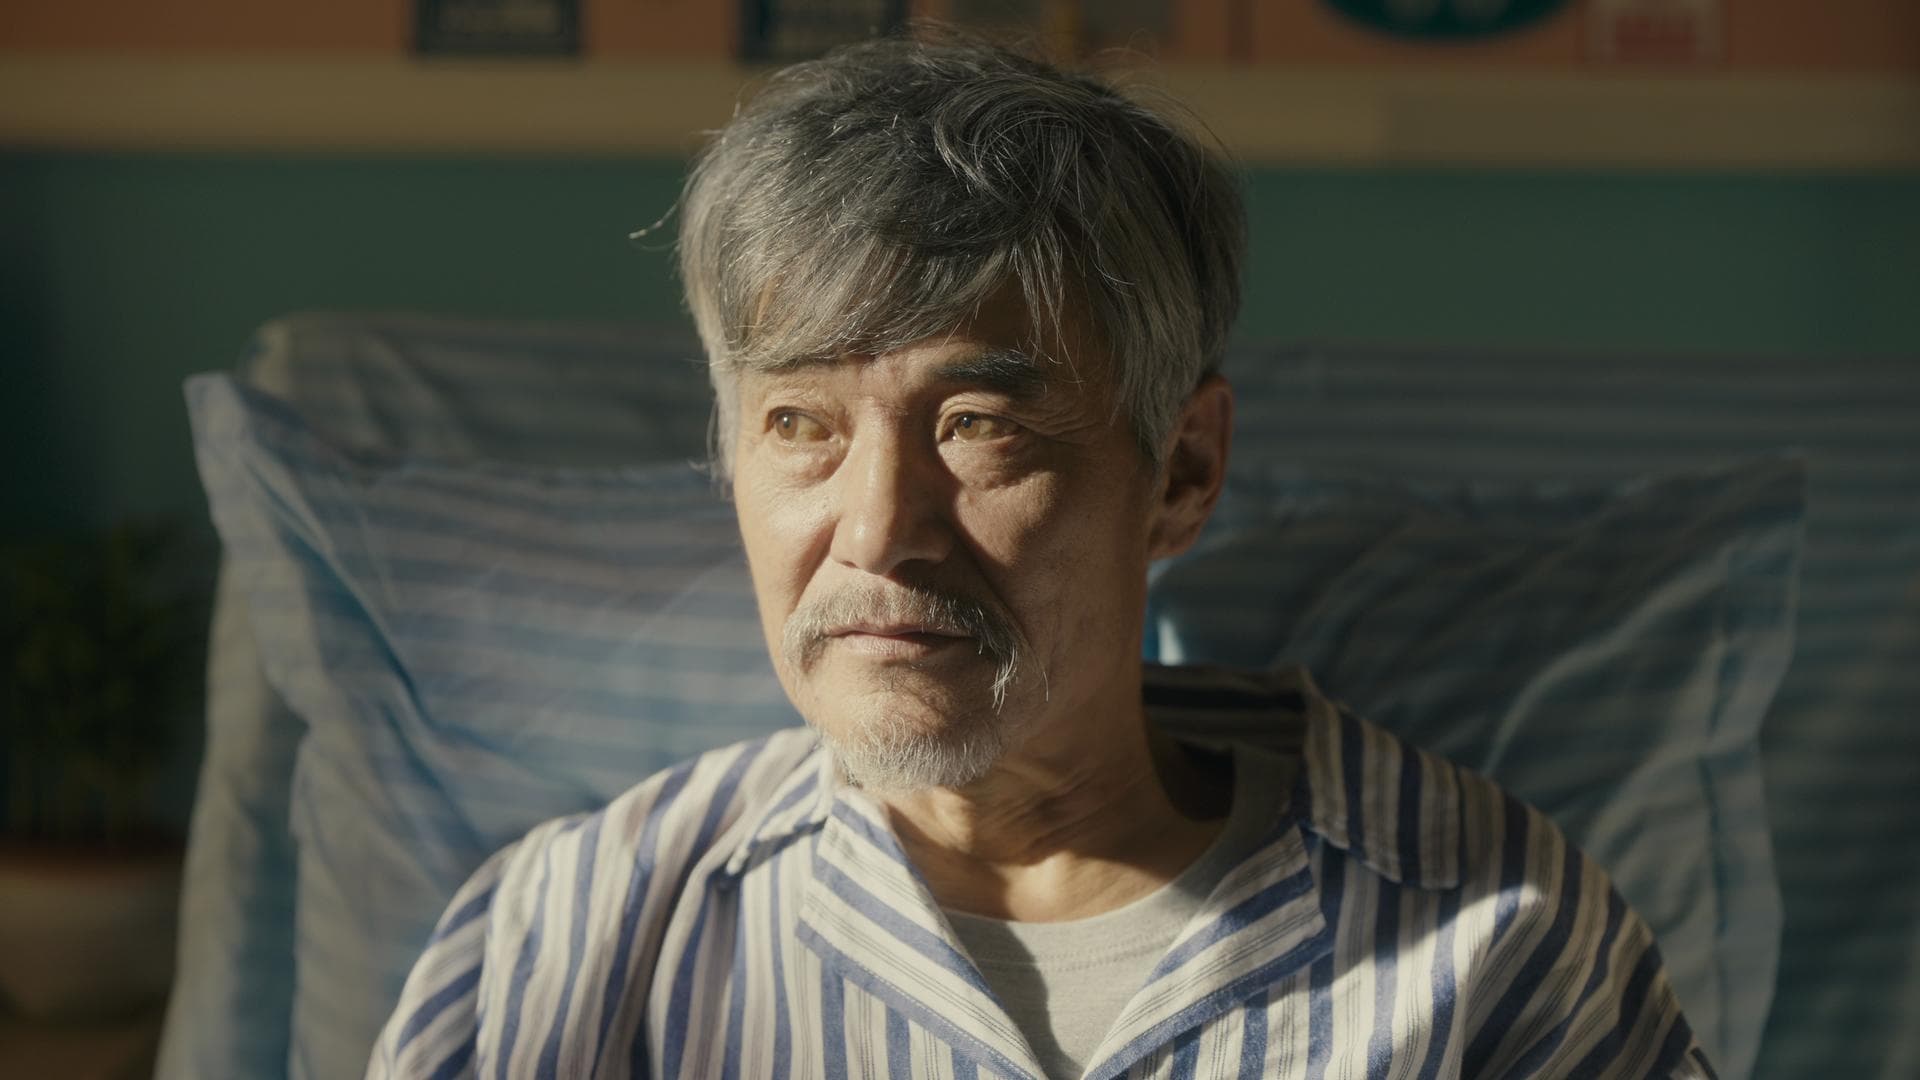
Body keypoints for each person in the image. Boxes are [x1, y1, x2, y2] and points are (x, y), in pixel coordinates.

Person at [369, 34, 1713, 1080]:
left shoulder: (1491, 933)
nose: (879, 530)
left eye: (979, 425)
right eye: (801, 426)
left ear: (1181, 472)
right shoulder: (570, 941)